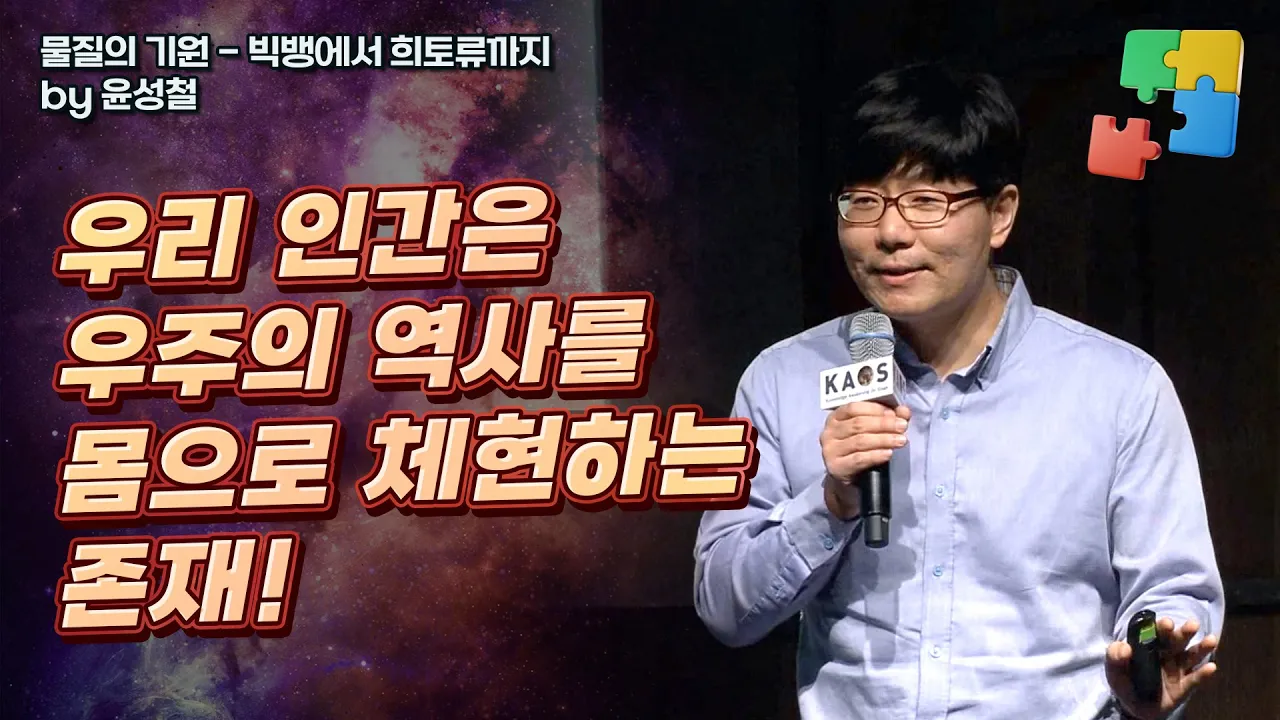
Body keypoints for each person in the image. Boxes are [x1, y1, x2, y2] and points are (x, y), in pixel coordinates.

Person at [692, 62, 1224, 720]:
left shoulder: (1121, 388)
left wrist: (1149, 676)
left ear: (1000, 214)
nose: (890, 234)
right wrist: (829, 504)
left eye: (926, 202)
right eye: (863, 201)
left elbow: (1172, 596)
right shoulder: (781, 379)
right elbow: (724, 607)